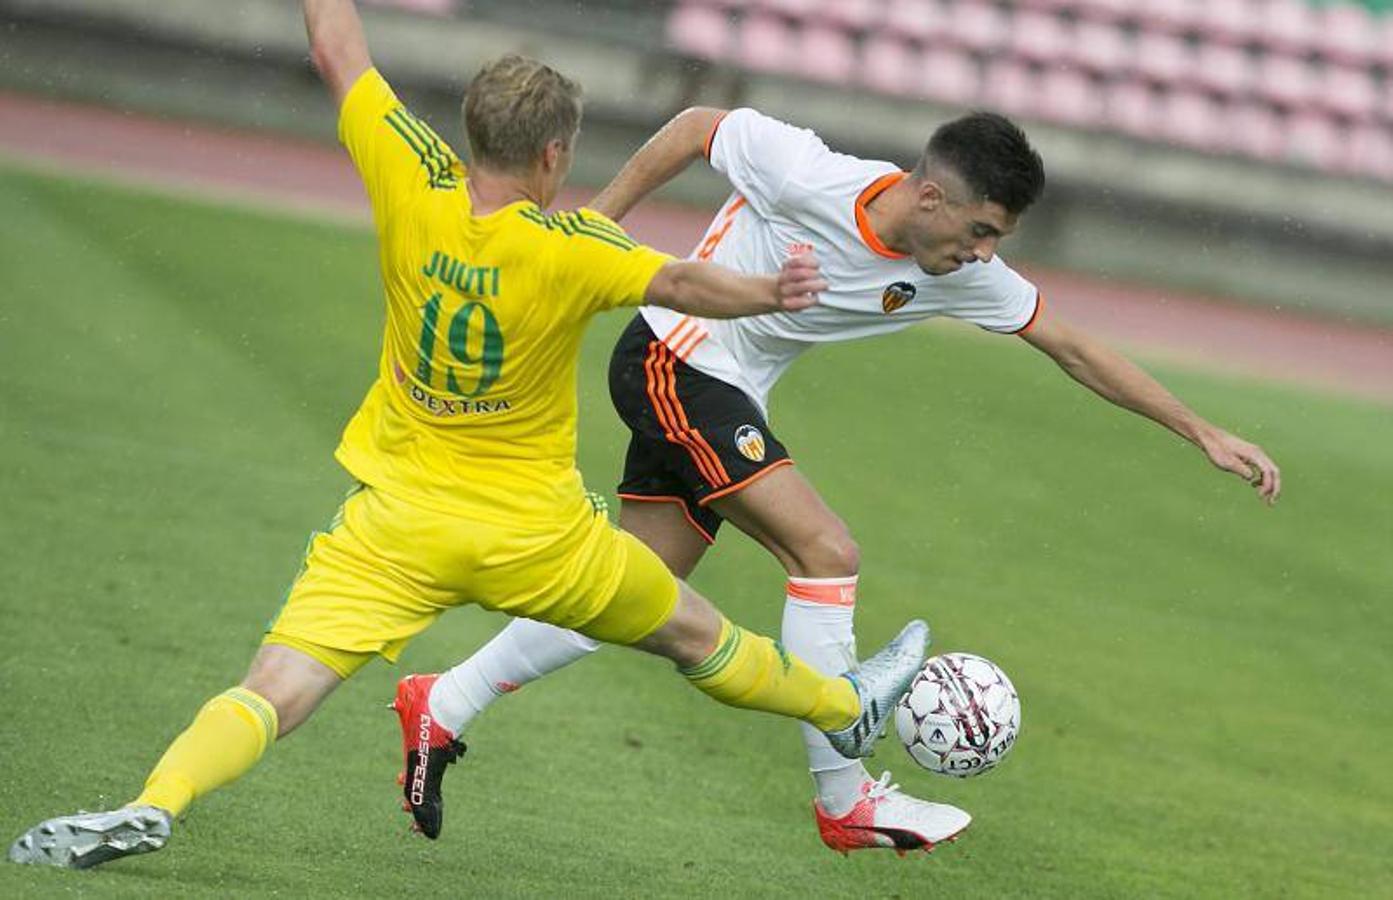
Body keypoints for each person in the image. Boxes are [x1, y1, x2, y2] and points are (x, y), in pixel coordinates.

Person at [5, 1, 934, 870]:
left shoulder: (411, 173)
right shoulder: (569, 246)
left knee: (276, 684)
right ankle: (842, 705)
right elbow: (682, 287)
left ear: (470, 129)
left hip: (396, 524)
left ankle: (158, 798)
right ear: (554, 155)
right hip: (539, 540)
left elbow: (338, 48)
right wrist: (769, 292)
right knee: (696, 636)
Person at [410, 105, 1283, 853]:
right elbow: (691, 128)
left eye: (997, 241)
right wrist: (589, 232)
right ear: (930, 195)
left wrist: (1198, 430)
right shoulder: (806, 172)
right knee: (824, 550)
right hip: (673, 359)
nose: (985, 253)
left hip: (720, 389)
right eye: (980, 230)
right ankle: (845, 798)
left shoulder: (959, 272)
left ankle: (440, 702)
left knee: (631, 590)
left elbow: (1073, 348)